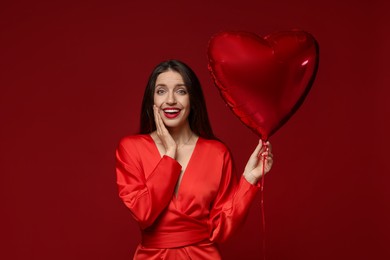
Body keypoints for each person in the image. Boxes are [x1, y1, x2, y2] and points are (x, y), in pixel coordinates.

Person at [115, 59, 273, 259]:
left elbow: (221, 230)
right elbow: (144, 214)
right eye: (161, 91)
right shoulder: (131, 148)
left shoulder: (217, 153)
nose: (170, 100)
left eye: (181, 91)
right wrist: (170, 154)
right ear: (152, 100)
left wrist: (249, 178)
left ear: (192, 99)